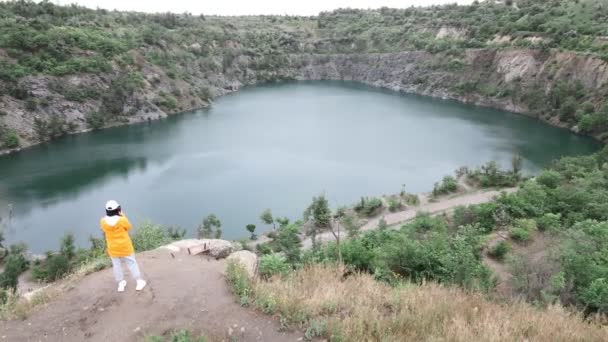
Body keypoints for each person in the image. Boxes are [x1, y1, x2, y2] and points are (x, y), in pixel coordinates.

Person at [100, 200, 147, 292]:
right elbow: (128, 227)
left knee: (116, 265)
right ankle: (139, 282)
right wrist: (122, 215)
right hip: (125, 246)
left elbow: (105, 229)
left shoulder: (103, 221)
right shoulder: (122, 220)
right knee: (131, 263)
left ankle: (121, 283)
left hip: (113, 247)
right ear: (118, 209)